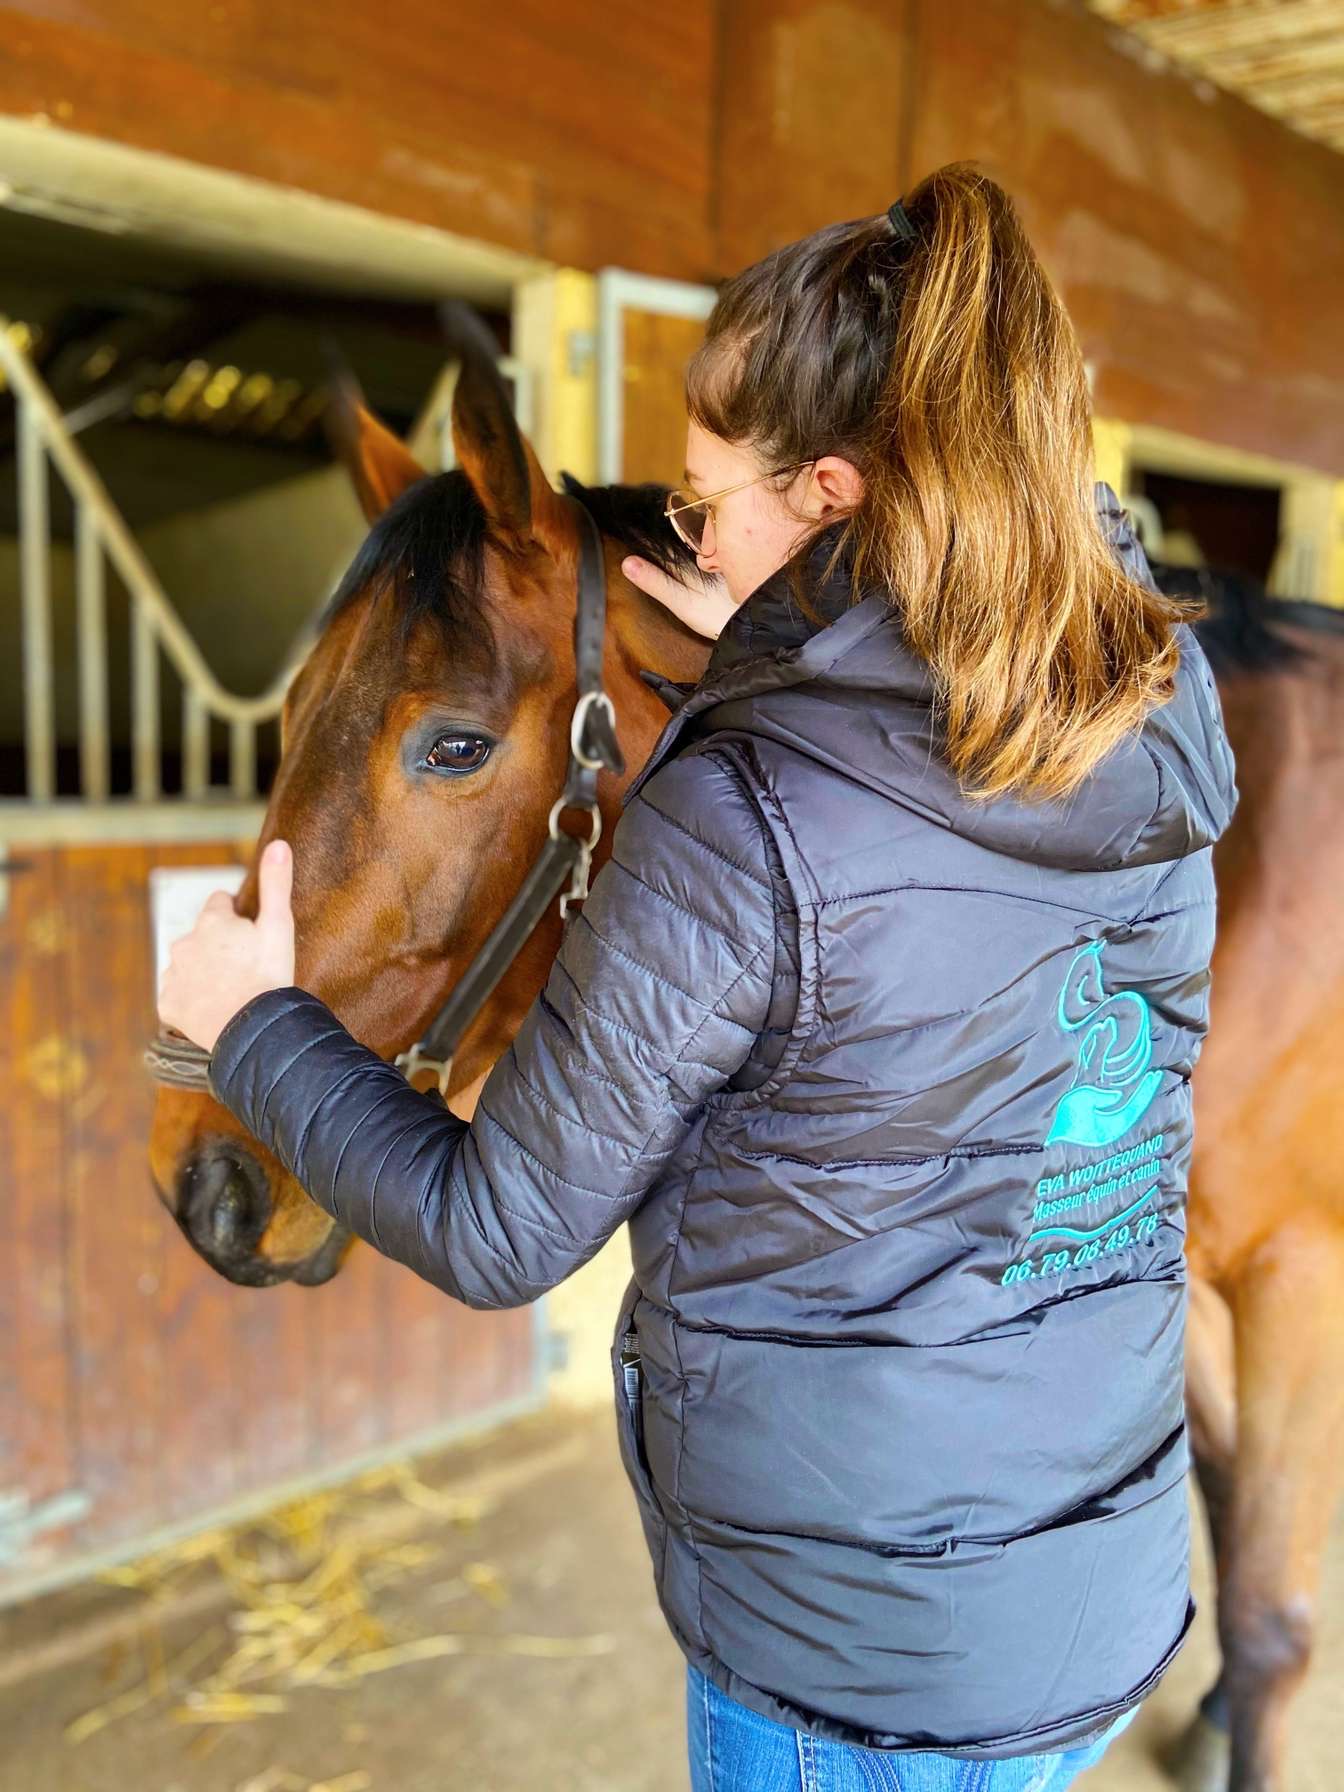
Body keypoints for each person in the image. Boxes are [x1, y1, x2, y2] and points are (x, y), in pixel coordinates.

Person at [159, 162, 1237, 1790]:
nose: (691, 535)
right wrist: (780, 629)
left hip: (846, 1672)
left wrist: (250, 1027)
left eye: (702, 497)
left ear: (830, 494)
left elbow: (500, 1229)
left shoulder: (742, 810)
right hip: (1091, 1597)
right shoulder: (1152, 718)